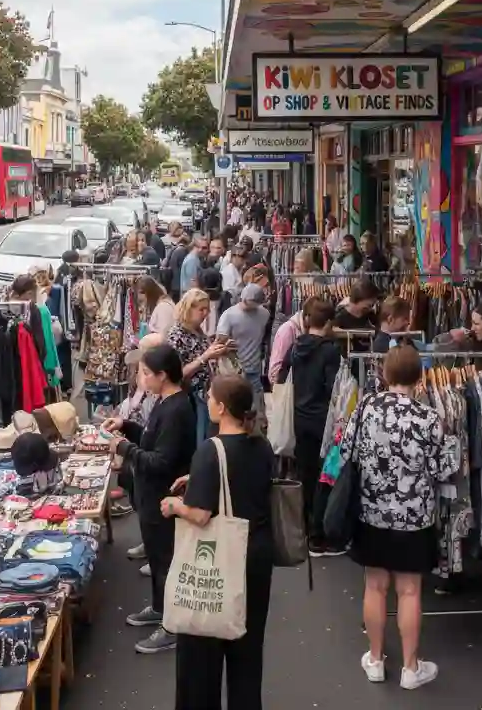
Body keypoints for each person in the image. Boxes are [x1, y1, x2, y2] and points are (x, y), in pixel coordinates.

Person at [343, 346, 458, 691]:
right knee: (409, 591)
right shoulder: (429, 418)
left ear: (385, 375)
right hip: (414, 517)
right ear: (420, 378)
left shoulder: (366, 408)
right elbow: (442, 469)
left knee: (375, 586)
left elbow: (346, 450)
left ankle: (375, 660)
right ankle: (411, 667)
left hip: (371, 512)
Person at [161, 375, 275, 710]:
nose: (207, 400)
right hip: (256, 555)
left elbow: (200, 514)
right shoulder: (261, 444)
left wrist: (174, 506)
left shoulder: (210, 451)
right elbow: (242, 481)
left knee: (202, 652)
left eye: (210, 396)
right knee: (247, 648)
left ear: (222, 407)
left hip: (220, 558)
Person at [104, 344, 196, 655]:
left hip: (162, 498)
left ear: (162, 375)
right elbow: (152, 440)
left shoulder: (177, 409)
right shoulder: (165, 402)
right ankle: (160, 608)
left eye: (145, 373)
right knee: (158, 560)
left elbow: (161, 461)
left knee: (166, 561)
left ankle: (172, 625)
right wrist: (128, 428)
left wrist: (124, 448)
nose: (141, 379)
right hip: (152, 497)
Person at [283, 298, 342, 556]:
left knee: (305, 474)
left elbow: (283, 375)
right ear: (329, 323)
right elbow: (333, 389)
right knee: (324, 476)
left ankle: (305, 528)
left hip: (299, 416)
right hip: (321, 420)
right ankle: (318, 535)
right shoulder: (330, 351)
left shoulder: (296, 346)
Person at [167, 290, 232, 444]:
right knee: (200, 438)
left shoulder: (197, 330)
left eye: (207, 309)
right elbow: (177, 374)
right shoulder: (176, 335)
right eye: (201, 309)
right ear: (189, 308)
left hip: (205, 393)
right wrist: (205, 357)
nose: (205, 314)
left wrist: (218, 350)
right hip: (192, 396)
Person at [216, 284, 271, 412]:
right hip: (235, 369)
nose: (247, 303)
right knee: (237, 404)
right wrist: (225, 345)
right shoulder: (229, 315)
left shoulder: (264, 314)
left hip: (254, 367)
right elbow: (219, 342)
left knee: (254, 405)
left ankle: (256, 428)